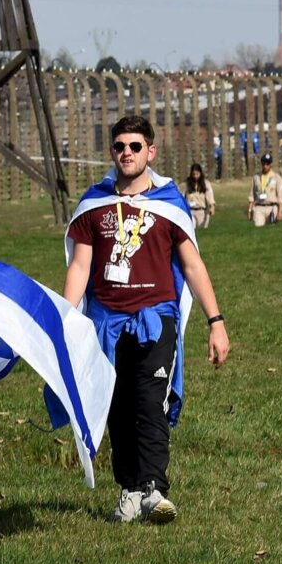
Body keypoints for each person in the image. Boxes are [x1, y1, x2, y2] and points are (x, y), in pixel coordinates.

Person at [63, 115, 229, 525]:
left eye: (135, 146)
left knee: (150, 402)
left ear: (150, 152)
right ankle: (130, 489)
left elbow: (192, 265)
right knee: (116, 408)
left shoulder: (169, 202)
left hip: (156, 319)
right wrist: (64, 319)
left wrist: (216, 321)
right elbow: (81, 267)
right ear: (112, 152)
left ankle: (154, 488)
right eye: (120, 146)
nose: (127, 153)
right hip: (107, 321)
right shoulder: (95, 204)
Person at [247, 153, 282, 227]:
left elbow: (281, 196)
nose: (265, 166)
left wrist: (280, 211)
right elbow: (251, 196)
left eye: (267, 163)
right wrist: (250, 210)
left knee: (272, 230)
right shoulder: (256, 177)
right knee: (258, 229)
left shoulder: (276, 178)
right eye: (263, 163)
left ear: (271, 164)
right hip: (259, 207)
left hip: (272, 207)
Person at [184, 163, 215, 229]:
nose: (195, 176)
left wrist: (212, 207)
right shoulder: (187, 184)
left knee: (202, 230)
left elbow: (210, 196)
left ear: (200, 173)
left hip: (202, 211)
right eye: (193, 174)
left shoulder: (206, 184)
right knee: (192, 229)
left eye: (197, 174)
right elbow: (182, 196)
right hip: (190, 211)